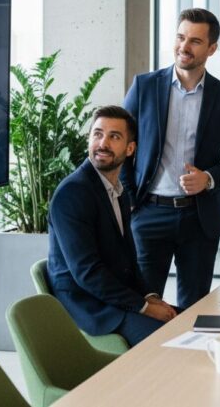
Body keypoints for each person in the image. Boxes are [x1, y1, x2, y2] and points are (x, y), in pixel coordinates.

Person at [123, 8, 220, 309]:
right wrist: (129, 200)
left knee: (194, 308)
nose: (184, 47)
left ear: (212, 48)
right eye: (180, 37)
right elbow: (121, 144)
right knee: (144, 305)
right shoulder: (145, 87)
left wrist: (208, 178)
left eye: (194, 41)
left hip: (198, 218)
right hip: (149, 213)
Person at [47, 106, 178, 347]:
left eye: (114, 136)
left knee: (189, 319)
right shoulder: (72, 193)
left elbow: (128, 261)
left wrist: (149, 296)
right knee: (173, 339)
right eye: (97, 134)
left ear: (130, 149)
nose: (103, 143)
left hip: (116, 297)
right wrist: (144, 306)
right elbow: (88, 273)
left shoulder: (120, 192)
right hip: (91, 307)